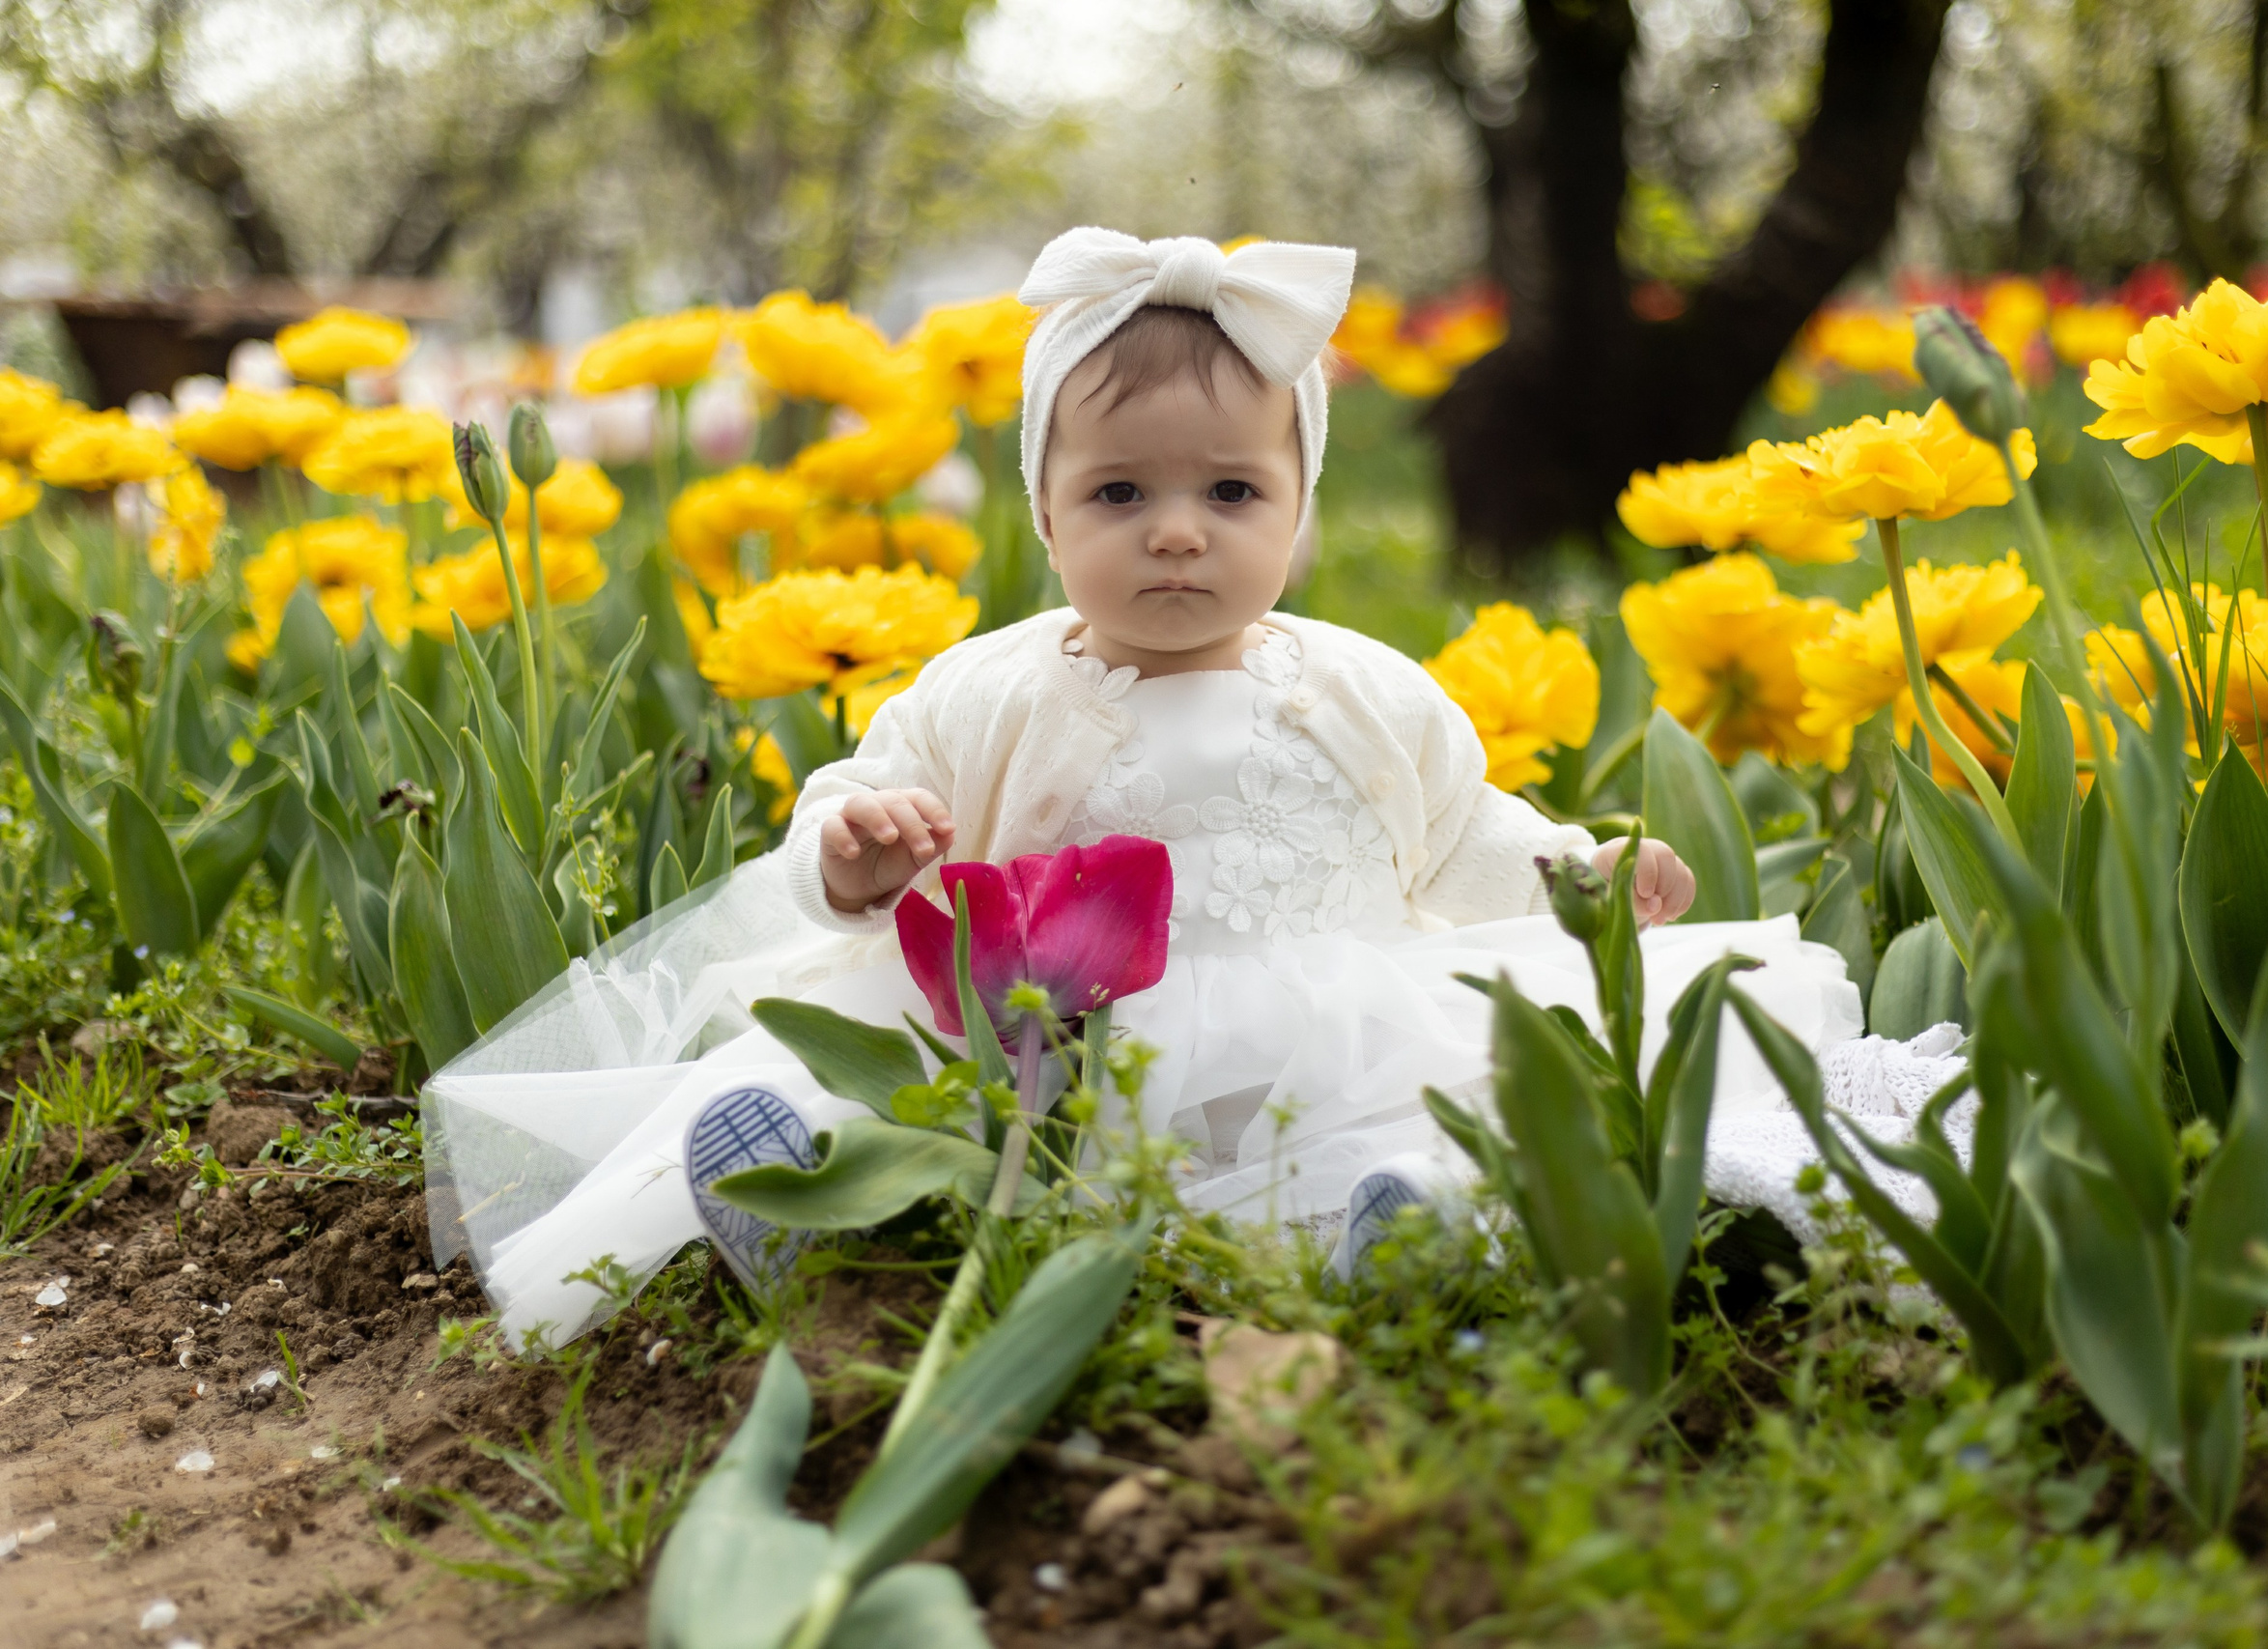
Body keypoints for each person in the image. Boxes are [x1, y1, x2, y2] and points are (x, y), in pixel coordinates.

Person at [422, 230, 1891, 1349]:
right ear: (1048, 517)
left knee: (1428, 1132)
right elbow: (862, 790)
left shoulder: (1363, 688)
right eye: (1121, 495)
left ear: (1300, 512)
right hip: (1054, 1050)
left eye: (1231, 495)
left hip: (1338, 1033)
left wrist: (1573, 872)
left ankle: (1407, 1244)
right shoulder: (992, 685)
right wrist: (856, 854)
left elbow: (1460, 833)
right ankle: (817, 1214)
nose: (1178, 536)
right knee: (906, 1114)